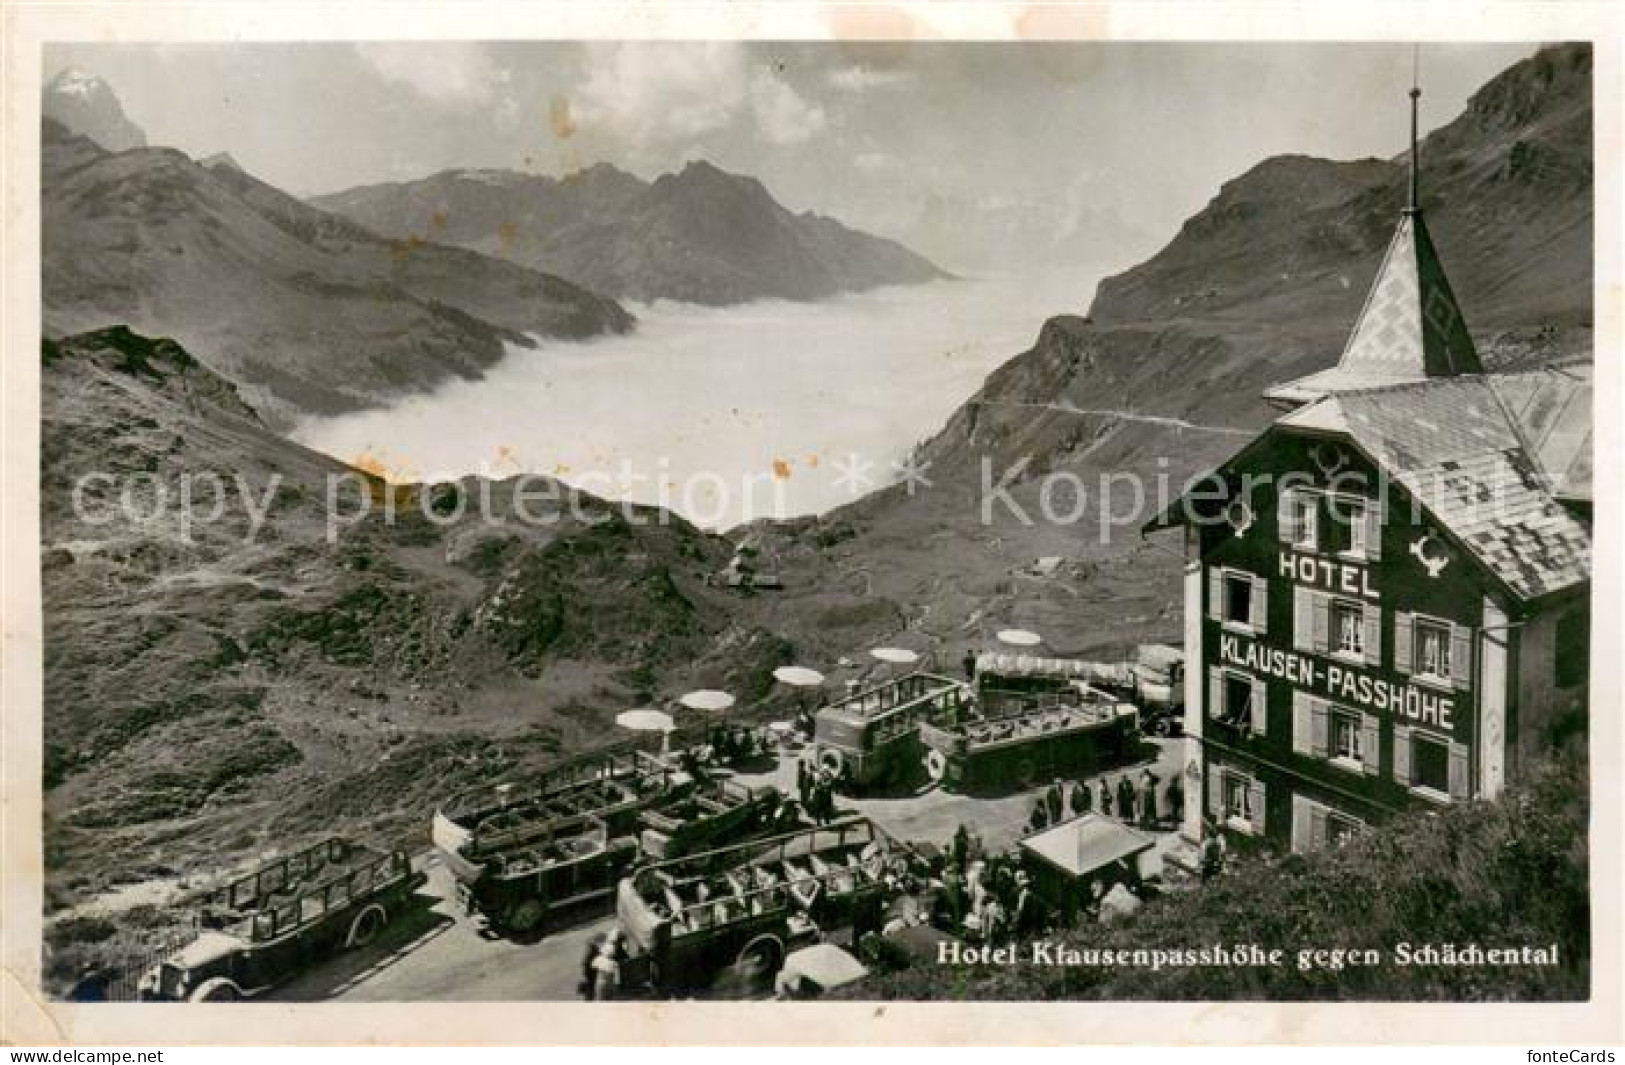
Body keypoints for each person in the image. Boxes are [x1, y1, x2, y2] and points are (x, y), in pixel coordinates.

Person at [590, 931, 623, 1001]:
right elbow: (617, 979)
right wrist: (616, 986)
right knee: (610, 997)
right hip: (610, 985)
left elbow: (592, 965)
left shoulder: (598, 959)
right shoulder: (614, 963)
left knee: (600, 998)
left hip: (601, 984)